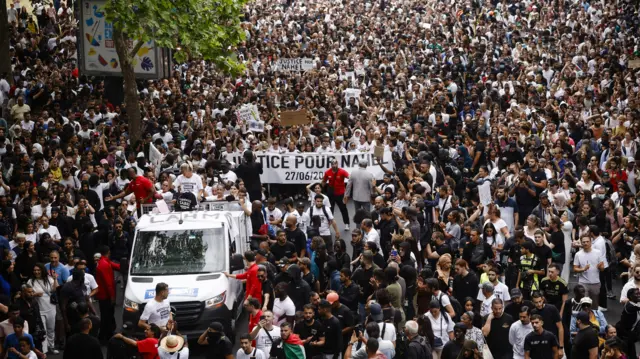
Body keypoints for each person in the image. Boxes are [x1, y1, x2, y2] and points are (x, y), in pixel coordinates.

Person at [95, 245, 120, 340]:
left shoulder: (104, 261)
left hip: (104, 295)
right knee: (106, 316)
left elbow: (115, 266)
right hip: (105, 296)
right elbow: (108, 283)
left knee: (108, 314)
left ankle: (109, 332)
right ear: (108, 252)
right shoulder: (104, 264)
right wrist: (112, 296)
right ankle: (104, 336)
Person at [573, 236, 605, 309]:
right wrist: (583, 269)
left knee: (594, 305)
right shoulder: (578, 254)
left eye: (587, 241)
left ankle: (593, 319)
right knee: (584, 304)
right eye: (584, 242)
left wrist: (600, 267)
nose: (585, 243)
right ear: (581, 243)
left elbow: (602, 268)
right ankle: (583, 319)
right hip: (583, 283)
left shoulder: (598, 253)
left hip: (595, 282)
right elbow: (575, 269)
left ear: (590, 242)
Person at [322, 159, 350, 231]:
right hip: (330, 193)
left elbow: (349, 177)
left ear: (337, 164)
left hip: (340, 193)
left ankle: (346, 224)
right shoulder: (327, 172)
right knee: (330, 209)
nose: (334, 165)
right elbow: (324, 181)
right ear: (331, 165)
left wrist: (346, 193)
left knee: (343, 209)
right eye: (333, 164)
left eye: (335, 164)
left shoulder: (342, 171)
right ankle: (328, 224)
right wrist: (320, 190)